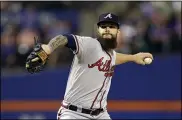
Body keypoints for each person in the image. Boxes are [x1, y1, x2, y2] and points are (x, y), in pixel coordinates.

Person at [25, 13, 153, 119]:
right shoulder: (89, 44)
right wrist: (47, 48)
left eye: (111, 26)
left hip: (100, 114)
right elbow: (65, 38)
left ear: (118, 31)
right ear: (97, 30)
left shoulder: (109, 53)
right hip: (73, 114)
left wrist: (134, 57)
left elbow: (114, 58)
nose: (107, 29)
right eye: (103, 26)